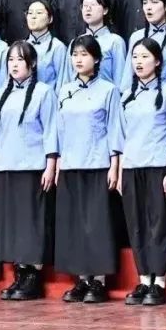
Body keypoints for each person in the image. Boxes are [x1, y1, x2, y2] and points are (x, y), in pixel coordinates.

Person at [54, 35, 122, 305]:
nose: (78, 59)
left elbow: (115, 128)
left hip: (97, 164)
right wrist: (57, 161)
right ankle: (82, 279)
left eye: (84, 54)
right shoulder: (65, 90)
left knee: (96, 224)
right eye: (75, 54)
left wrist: (114, 164)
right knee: (74, 224)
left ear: (96, 59)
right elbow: (59, 129)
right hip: (71, 164)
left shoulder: (108, 90)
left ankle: (98, 281)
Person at [0, 41, 58, 302]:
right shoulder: (1, 94)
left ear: (32, 64)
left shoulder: (44, 92)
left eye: (20, 60)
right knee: (12, 222)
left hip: (32, 166)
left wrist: (51, 163)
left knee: (31, 221)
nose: (14, 65)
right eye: (10, 60)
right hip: (6, 165)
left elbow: (51, 128)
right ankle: (19, 272)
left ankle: (33, 275)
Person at [119, 38, 166, 307]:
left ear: (157, 61)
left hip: (157, 165)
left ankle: (160, 281)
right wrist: (120, 168)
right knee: (137, 225)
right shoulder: (126, 96)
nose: (139, 62)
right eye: (135, 57)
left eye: (144, 57)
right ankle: (144, 279)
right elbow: (120, 136)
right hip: (131, 166)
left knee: (158, 224)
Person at [62, 0, 126, 88]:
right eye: (85, 5)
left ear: (105, 10)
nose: (88, 9)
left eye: (93, 5)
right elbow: (67, 78)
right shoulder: (75, 42)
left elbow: (120, 79)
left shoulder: (115, 41)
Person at [23, 0, 68, 93]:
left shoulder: (57, 47)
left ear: (50, 19)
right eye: (30, 13)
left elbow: (62, 81)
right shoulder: (21, 47)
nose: (33, 16)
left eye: (39, 13)